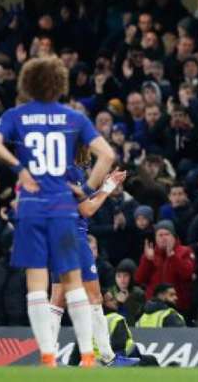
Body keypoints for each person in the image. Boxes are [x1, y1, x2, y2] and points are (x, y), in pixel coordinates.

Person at [0, 57, 116, 367]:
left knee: (37, 285)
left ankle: (47, 355)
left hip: (31, 208)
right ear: (60, 84)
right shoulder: (73, 117)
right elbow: (107, 154)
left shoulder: (16, 115)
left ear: (26, 84)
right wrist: (85, 189)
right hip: (63, 209)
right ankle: (87, 355)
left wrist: (18, 168)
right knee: (74, 283)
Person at [46, 154, 129, 366]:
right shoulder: (72, 171)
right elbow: (87, 209)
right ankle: (108, 356)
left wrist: (104, 185)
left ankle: (47, 356)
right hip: (74, 237)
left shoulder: (59, 170)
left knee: (57, 298)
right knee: (94, 297)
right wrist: (109, 187)